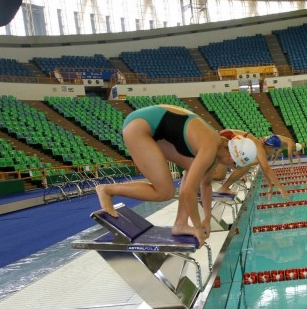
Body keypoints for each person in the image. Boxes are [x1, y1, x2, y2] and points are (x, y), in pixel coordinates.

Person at [95, 105, 257, 248]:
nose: (230, 167)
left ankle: (180, 224)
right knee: (165, 192)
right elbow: (188, 192)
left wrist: (207, 218)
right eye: (234, 165)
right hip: (139, 127)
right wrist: (198, 228)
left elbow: (205, 185)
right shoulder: (209, 147)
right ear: (231, 158)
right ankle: (108, 190)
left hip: (154, 126)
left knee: (190, 169)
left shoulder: (216, 146)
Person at [216, 131, 290, 199]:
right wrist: (281, 188)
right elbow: (266, 169)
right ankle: (223, 187)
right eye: (276, 150)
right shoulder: (259, 147)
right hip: (221, 142)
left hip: (224, 142)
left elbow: (264, 169)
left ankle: (223, 186)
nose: (276, 153)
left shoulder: (259, 147)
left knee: (244, 166)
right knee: (219, 176)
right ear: (270, 147)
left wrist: (270, 186)